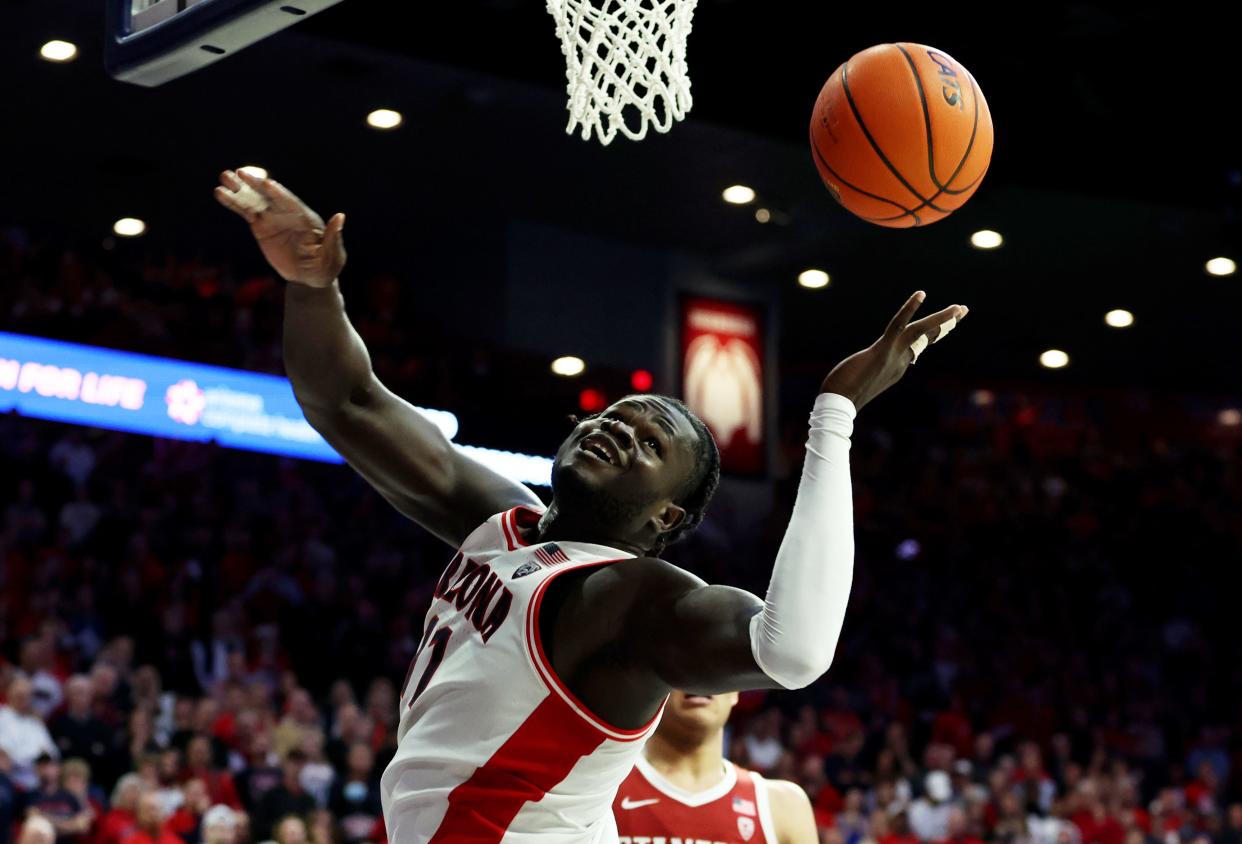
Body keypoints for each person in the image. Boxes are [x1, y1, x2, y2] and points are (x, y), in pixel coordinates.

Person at [215, 169, 966, 843]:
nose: (619, 430)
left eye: (649, 443)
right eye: (617, 416)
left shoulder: (632, 601)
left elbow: (794, 652)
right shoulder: (501, 522)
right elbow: (346, 402)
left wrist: (833, 412)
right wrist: (314, 288)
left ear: (665, 517)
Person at [613, 691, 816, 843]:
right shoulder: (602, 790)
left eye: (716, 666)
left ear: (735, 691)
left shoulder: (784, 807)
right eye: (684, 662)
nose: (701, 676)